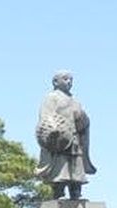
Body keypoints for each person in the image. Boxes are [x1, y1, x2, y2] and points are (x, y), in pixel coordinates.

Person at [35, 71, 96, 200]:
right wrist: (54, 132)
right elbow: (45, 118)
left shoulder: (75, 101)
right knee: (61, 168)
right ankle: (59, 193)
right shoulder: (51, 98)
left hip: (75, 139)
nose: (69, 82)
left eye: (71, 79)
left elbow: (81, 120)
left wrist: (84, 120)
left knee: (77, 169)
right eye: (65, 79)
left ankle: (76, 194)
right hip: (59, 140)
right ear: (55, 82)